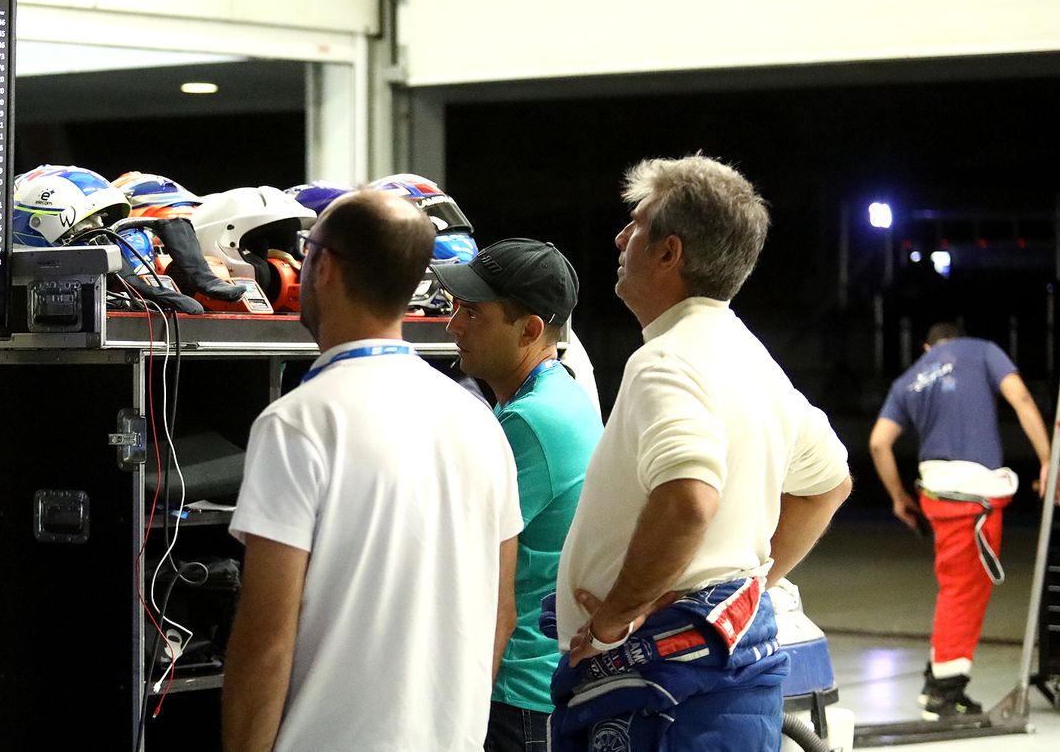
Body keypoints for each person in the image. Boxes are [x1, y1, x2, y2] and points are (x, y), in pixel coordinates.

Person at [552, 155, 853, 751]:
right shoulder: (748, 354)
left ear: (669, 253)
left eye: (635, 224)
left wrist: (616, 616)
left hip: (663, 694)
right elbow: (829, 483)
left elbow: (690, 500)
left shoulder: (666, 360)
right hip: (721, 679)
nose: (619, 238)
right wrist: (748, 581)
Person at [221, 190, 524, 752]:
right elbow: (501, 613)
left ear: (324, 267)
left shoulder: (298, 424)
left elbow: (265, 643)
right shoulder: (479, 419)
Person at [436, 239, 604, 752]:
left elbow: (458, 556)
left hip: (517, 694)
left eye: (473, 313)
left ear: (530, 329)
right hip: (541, 686)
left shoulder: (530, 422)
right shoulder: (560, 396)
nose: (452, 326)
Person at [868, 320, 1053, 719]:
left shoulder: (908, 381)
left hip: (937, 491)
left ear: (926, 347)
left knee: (959, 585)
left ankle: (938, 678)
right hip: (972, 492)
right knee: (964, 591)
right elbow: (1019, 398)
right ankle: (943, 694)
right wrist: (1047, 459)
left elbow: (879, 442)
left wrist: (899, 497)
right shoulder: (983, 349)